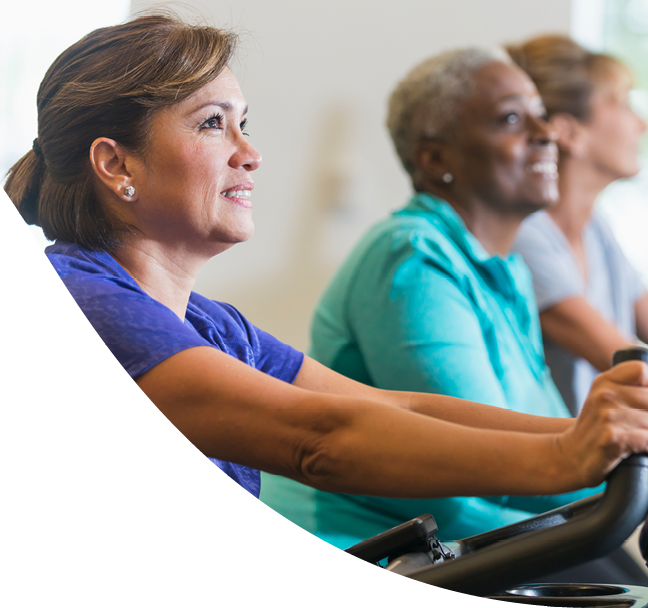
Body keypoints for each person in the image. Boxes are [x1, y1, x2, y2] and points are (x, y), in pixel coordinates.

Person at [2, 13, 648, 557]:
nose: (249, 152)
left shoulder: (211, 324)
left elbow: (395, 407)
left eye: (243, 124)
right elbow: (321, 439)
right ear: (116, 163)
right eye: (210, 124)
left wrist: (609, 432)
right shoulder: (79, 298)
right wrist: (568, 455)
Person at [258, 46, 646, 583]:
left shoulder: (504, 275)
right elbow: (475, 482)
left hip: (456, 547)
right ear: (436, 159)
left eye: (540, 114)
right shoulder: (410, 257)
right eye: (512, 118)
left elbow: (543, 445)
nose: (547, 132)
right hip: (362, 552)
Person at [507, 36, 648, 416]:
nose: (642, 124)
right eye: (620, 103)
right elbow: (632, 369)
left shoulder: (597, 231)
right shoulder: (526, 237)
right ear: (569, 133)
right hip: (564, 467)